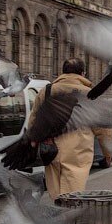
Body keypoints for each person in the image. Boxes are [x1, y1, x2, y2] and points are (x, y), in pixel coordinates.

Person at [38, 58, 95, 200]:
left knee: (56, 196)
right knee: (73, 196)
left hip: (51, 149)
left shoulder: (47, 90)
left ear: (63, 72)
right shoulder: (90, 93)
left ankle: (60, 217)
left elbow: (34, 120)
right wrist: (108, 151)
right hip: (78, 151)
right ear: (83, 73)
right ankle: (68, 219)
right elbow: (102, 128)